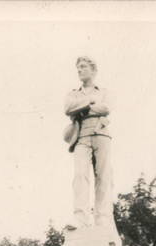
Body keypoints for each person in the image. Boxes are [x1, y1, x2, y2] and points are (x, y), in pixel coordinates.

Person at [64, 57, 113, 228]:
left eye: (83, 67)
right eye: (78, 68)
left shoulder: (103, 91)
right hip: (81, 135)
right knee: (80, 175)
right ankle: (81, 216)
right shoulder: (73, 93)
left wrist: (82, 107)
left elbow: (106, 108)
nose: (80, 70)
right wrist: (91, 103)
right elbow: (68, 108)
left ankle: (102, 216)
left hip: (100, 132)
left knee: (103, 176)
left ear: (93, 70)